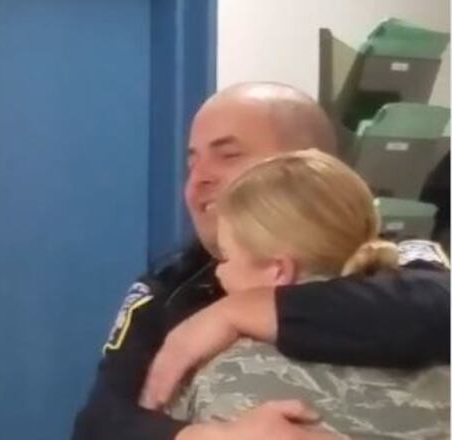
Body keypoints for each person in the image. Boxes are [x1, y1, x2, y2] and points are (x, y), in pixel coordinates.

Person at [71, 82, 450, 440]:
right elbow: (101, 422)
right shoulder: (171, 286)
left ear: (309, 167)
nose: (198, 179)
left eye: (229, 155)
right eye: (192, 163)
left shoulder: (393, 258)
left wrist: (239, 311)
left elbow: (438, 307)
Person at [160, 149, 449, 439]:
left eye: (224, 257)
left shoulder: (224, 374)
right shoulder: (439, 358)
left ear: (278, 270)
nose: (218, 273)